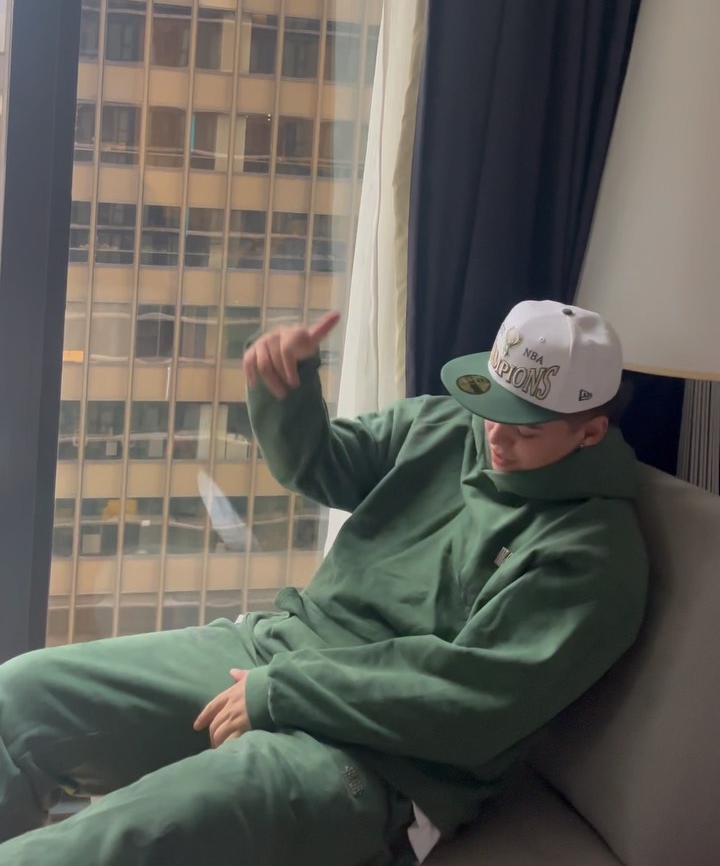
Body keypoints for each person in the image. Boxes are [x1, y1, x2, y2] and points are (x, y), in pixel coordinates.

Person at [0, 299, 648, 865]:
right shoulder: (446, 426)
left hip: (384, 761)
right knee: (22, 698)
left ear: (591, 431)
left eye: (526, 428)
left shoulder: (591, 556)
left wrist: (285, 691)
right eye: (489, 406)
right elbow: (323, 464)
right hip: (278, 650)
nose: (495, 435)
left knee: (124, 838)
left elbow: (470, 700)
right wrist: (286, 390)